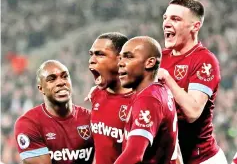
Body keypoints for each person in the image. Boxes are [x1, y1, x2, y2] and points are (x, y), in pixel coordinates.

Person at [158, 0, 228, 164]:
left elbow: (193, 112)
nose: (167, 23)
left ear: (195, 26)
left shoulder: (204, 60)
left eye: (175, 19)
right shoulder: (160, 57)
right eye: (165, 18)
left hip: (202, 160)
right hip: (171, 159)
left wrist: (167, 78)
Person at [14, 60, 93, 164]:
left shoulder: (90, 118)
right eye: (52, 79)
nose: (61, 82)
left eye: (65, 76)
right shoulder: (28, 124)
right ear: (41, 88)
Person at [115, 36, 178, 164]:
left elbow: (133, 156)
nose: (120, 63)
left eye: (129, 56)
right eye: (121, 58)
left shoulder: (148, 99)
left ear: (149, 62)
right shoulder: (161, 91)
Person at [88, 32, 134, 164]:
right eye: (91, 54)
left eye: (100, 54)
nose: (92, 60)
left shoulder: (143, 100)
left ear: (121, 59)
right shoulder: (96, 94)